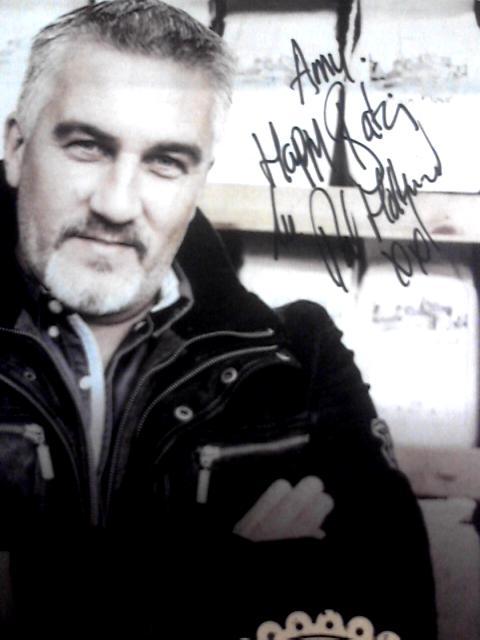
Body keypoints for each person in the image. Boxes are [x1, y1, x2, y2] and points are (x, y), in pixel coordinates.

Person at [0, 1, 436, 638]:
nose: (117, 204)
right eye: (87, 147)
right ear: (16, 147)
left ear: (201, 177)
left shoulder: (300, 359)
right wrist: (234, 577)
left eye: (165, 161)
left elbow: (397, 614)